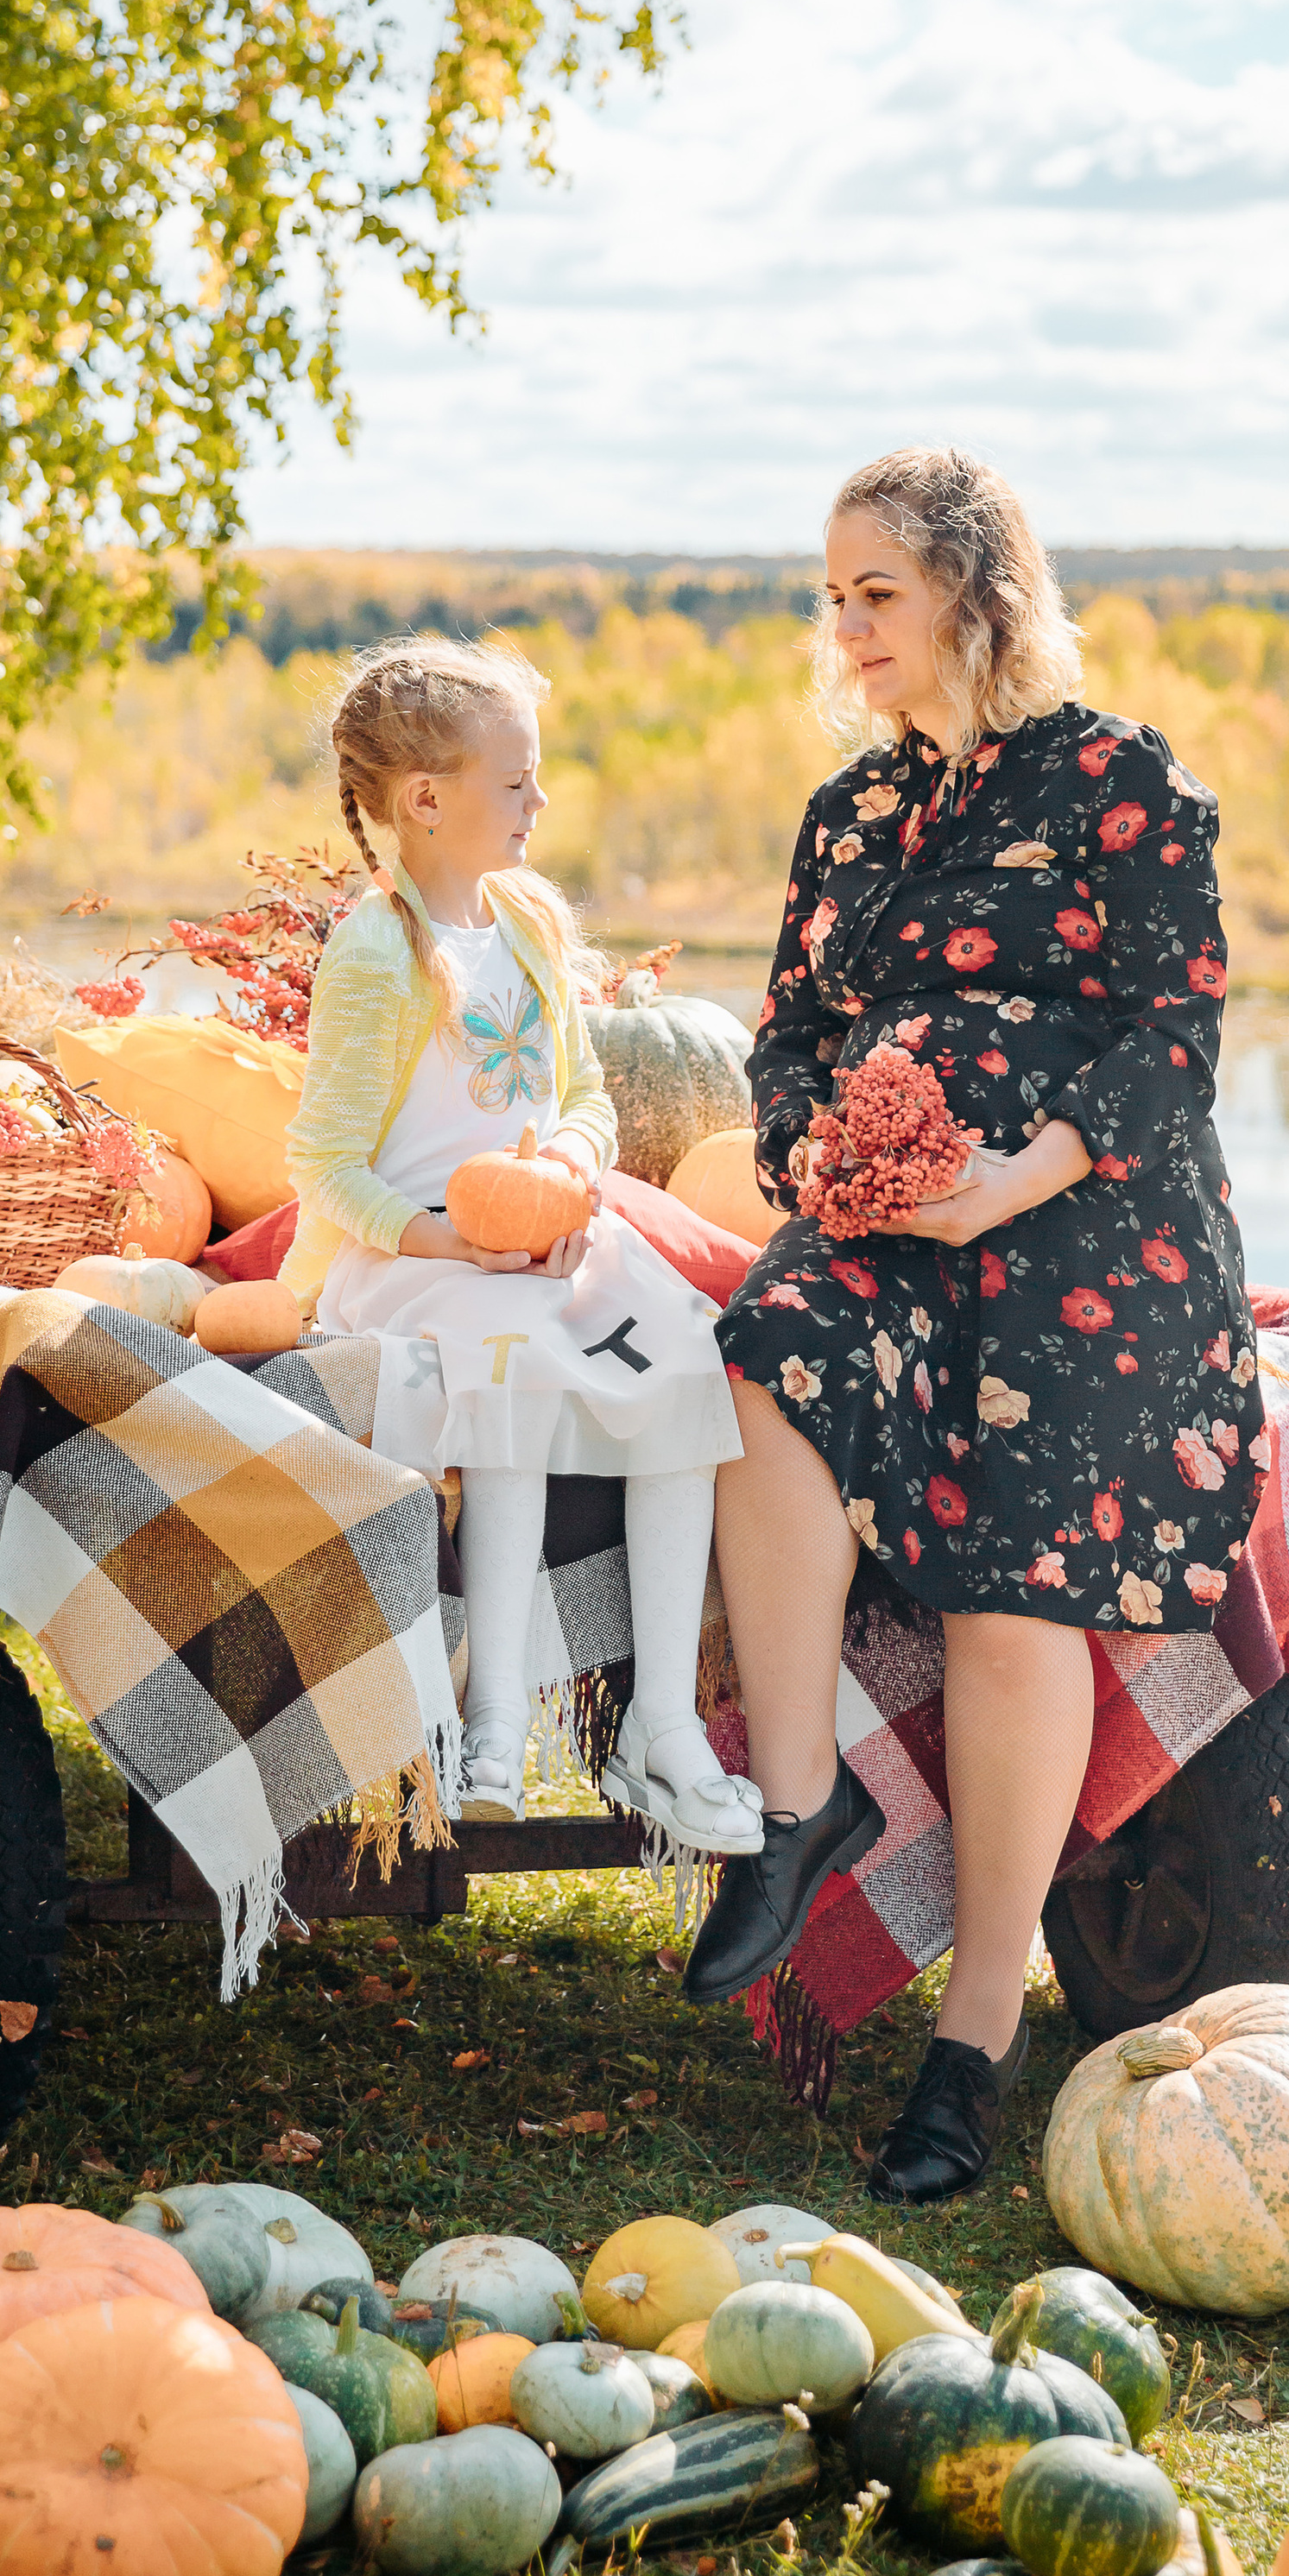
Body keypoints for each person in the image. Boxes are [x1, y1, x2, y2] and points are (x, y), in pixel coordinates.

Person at [691, 449, 1261, 2199]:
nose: (843, 626)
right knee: (765, 1355)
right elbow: (780, 1035)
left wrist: (1006, 1179)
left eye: (874, 592)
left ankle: (971, 2045)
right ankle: (801, 1810)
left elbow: (1173, 1035)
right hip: (889, 1229)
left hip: (1084, 1235)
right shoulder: (849, 815)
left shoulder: (1113, 780)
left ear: (974, 595)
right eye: (832, 595)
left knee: (1012, 1606)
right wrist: (815, 1153)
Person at [280, 635, 761, 1857]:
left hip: (549, 1241)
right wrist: (449, 1236)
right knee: (505, 1379)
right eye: (517, 782)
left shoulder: (534, 924)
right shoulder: (379, 952)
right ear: (425, 801)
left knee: (686, 1360)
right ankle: (489, 1717)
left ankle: (661, 1723)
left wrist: (571, 1173)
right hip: (416, 1263)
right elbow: (323, 1167)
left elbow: (587, 1093)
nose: (540, 803)